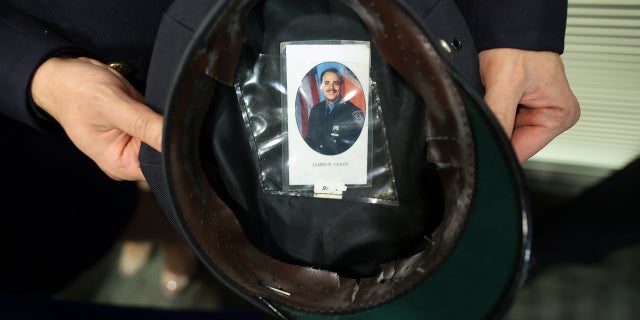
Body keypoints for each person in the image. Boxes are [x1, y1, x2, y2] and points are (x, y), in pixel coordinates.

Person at [0, 0, 578, 304]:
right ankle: (169, 218)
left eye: (333, 86)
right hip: (113, 68)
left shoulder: (349, 108)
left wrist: (517, 19)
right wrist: (32, 71)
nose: (329, 89)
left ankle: (175, 221)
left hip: (402, 37)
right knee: (160, 177)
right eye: (325, 86)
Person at [304, 68, 365, 155]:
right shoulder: (315, 110)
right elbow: (309, 141)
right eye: (327, 83)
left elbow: (355, 151)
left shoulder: (353, 113)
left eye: (336, 83)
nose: (331, 87)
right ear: (321, 87)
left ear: (341, 86)